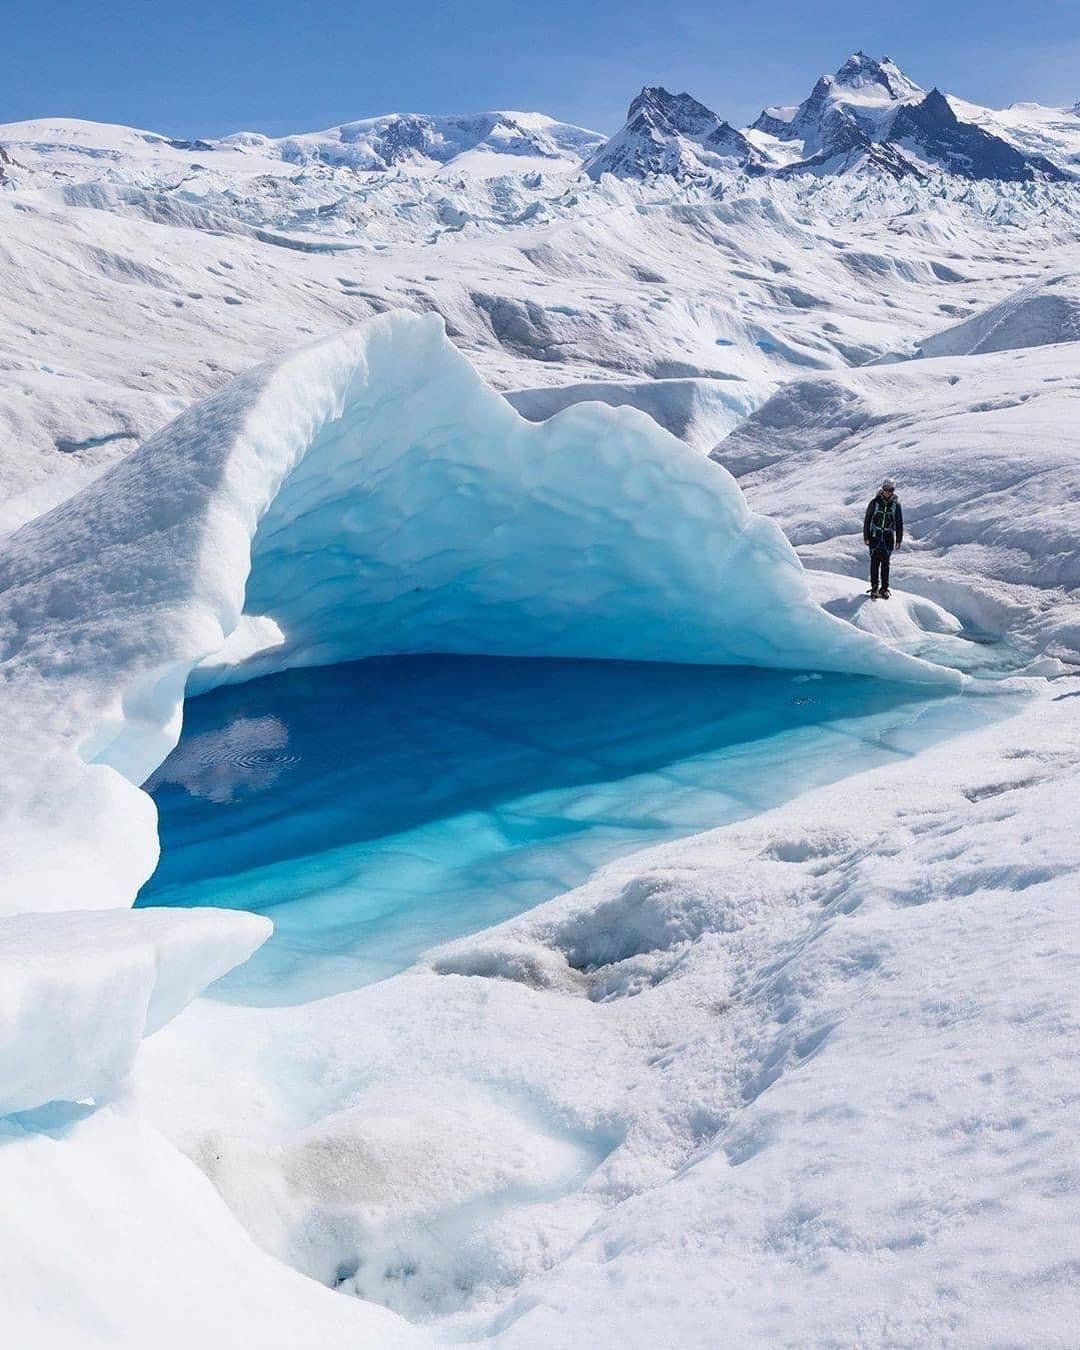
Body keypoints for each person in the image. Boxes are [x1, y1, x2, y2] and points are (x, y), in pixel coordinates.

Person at [863, 476, 903, 599]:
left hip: (888, 537)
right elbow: (867, 519)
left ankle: (884, 589)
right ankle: (874, 587)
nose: (887, 492)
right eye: (886, 489)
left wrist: (899, 539)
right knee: (874, 563)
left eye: (890, 490)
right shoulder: (874, 503)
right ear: (882, 488)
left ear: (893, 490)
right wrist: (866, 536)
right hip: (875, 536)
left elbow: (899, 522)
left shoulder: (896, 505)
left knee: (886, 564)